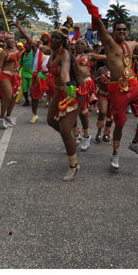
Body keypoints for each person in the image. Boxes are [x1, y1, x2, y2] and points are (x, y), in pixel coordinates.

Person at [77, 0, 138, 171]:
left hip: (133, 84)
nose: (121, 31)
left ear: (128, 32)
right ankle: (115, 154)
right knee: (119, 124)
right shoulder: (109, 44)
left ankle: (135, 142)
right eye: (118, 29)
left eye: (124, 29)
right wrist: (89, 4)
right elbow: (100, 25)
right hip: (116, 88)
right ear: (113, 32)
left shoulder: (133, 45)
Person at [45, 26, 84, 181]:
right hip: (59, 91)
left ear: (63, 41)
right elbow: (36, 46)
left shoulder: (65, 54)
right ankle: (73, 141)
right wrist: (20, 28)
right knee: (50, 121)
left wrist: (69, 91)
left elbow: (65, 73)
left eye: (57, 38)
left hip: (70, 92)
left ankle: (73, 166)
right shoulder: (52, 52)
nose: (53, 39)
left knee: (65, 130)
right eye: (52, 36)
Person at [13, 22, 55, 123]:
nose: (43, 39)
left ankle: (53, 115)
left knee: (53, 96)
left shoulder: (54, 52)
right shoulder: (36, 50)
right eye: (42, 38)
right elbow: (26, 36)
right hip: (37, 76)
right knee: (35, 97)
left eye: (46, 37)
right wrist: (18, 26)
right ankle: (34, 115)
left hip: (49, 76)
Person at [74, 38, 106, 151]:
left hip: (85, 85)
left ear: (86, 46)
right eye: (77, 44)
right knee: (71, 111)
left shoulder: (90, 56)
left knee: (82, 112)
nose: (79, 45)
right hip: (73, 86)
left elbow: (107, 57)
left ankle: (86, 136)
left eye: (81, 44)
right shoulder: (71, 57)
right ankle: (76, 135)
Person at [0, 32, 22, 129]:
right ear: (5, 41)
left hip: (15, 76)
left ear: (14, 39)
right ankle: (1, 117)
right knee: (8, 96)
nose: (10, 40)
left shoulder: (17, 50)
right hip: (5, 75)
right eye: (7, 39)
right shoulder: (3, 52)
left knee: (14, 97)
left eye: (11, 38)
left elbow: (18, 62)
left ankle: (8, 116)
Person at [94, 65, 114, 143]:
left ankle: (106, 133)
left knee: (111, 115)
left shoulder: (117, 69)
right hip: (103, 93)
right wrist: (100, 79)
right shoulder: (101, 69)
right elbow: (95, 80)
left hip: (113, 94)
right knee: (102, 112)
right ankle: (99, 131)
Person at [19, 40, 34, 107]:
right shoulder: (22, 54)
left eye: (29, 45)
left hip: (32, 74)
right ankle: (26, 100)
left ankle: (34, 101)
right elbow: (20, 64)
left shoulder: (34, 53)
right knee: (24, 88)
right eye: (26, 45)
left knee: (32, 88)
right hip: (24, 74)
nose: (27, 46)